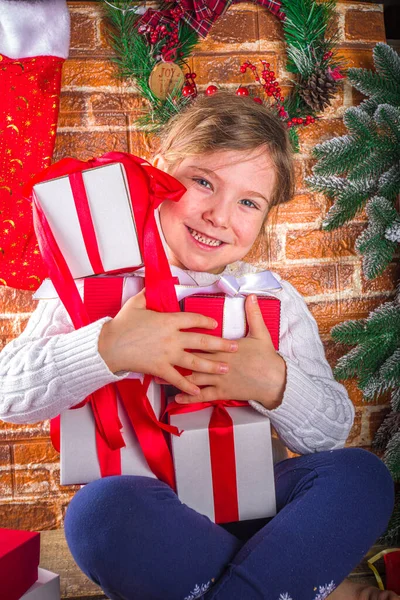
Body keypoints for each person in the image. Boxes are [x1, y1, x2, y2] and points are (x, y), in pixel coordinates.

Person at [0, 92, 396, 600]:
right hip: (153, 523)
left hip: (258, 515)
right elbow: (9, 395)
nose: (218, 215)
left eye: (248, 202)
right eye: (202, 181)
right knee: (96, 514)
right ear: (159, 171)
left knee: (360, 475)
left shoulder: (270, 299)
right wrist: (108, 348)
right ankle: (298, 587)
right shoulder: (91, 282)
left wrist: (273, 382)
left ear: (265, 216)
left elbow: (330, 432)